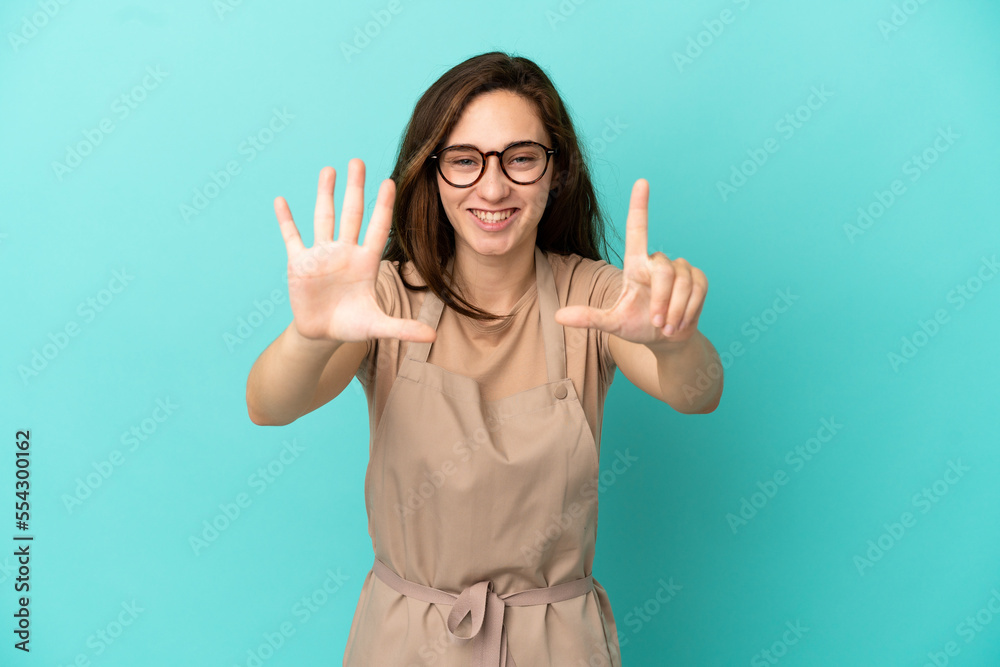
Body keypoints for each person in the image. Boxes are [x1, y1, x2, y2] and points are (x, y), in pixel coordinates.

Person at [246, 51, 723, 667]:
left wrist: (674, 340)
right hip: (404, 645)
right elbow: (270, 406)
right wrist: (310, 336)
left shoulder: (597, 299)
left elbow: (697, 394)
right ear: (433, 172)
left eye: (520, 158)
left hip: (557, 646)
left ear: (557, 170)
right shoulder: (384, 300)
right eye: (464, 160)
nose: (492, 188)